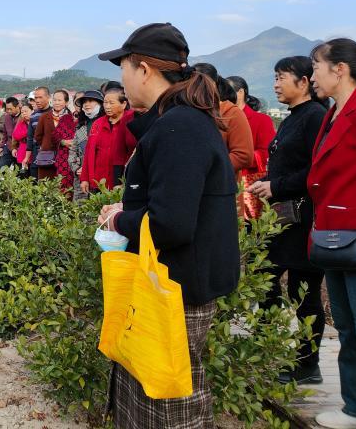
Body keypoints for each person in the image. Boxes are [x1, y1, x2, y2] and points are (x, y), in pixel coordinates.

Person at [97, 22, 240, 428]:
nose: (121, 80)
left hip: (176, 287)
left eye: (123, 67)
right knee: (155, 392)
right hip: (174, 283)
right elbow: (175, 201)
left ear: (143, 69)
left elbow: (172, 223)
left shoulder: (179, 127)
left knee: (167, 404)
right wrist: (129, 204)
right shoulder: (179, 122)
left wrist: (119, 218)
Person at [247, 56, 327, 386]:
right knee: (264, 281)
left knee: (303, 292)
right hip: (282, 220)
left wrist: (275, 185)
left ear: (304, 82)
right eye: (275, 78)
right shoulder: (293, 118)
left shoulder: (315, 118)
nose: (276, 84)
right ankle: (264, 349)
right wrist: (267, 180)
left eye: (281, 77)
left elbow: (317, 170)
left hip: (304, 219)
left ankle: (308, 363)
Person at [306, 39, 356, 429]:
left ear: (340, 69)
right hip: (332, 232)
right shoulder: (332, 113)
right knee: (345, 326)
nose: (313, 76)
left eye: (316, 67)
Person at [229, 75, 276, 219]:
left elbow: (265, 153)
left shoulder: (261, 120)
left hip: (249, 184)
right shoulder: (221, 119)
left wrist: (237, 157)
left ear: (241, 92)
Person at [195, 62, 254, 172]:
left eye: (201, 84)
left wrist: (204, 169)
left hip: (219, 184)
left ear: (214, 85)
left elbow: (243, 156)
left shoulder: (231, 113)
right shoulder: (187, 111)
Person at [80, 87, 135, 194]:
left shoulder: (131, 121)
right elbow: (89, 153)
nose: (107, 106)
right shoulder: (98, 123)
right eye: (105, 103)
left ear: (123, 104)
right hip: (99, 180)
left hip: (121, 180)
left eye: (111, 103)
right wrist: (85, 178)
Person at [34, 89, 76, 192]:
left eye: (60, 100)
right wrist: (46, 144)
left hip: (65, 158)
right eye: (55, 100)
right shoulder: (45, 117)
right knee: (46, 186)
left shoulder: (71, 117)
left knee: (63, 187)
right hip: (47, 157)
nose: (56, 103)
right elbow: (38, 136)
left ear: (66, 102)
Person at [69, 90, 103, 201]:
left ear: (100, 103)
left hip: (100, 176)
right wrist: (77, 168)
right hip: (80, 177)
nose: (86, 104)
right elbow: (72, 151)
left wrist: (89, 168)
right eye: (84, 102)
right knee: (81, 210)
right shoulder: (81, 126)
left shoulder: (106, 124)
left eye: (90, 101)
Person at [24, 87, 52, 179]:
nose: (37, 100)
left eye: (40, 97)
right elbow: (30, 137)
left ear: (48, 97)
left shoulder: (54, 113)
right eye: (36, 98)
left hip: (50, 150)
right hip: (36, 151)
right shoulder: (33, 115)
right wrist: (27, 157)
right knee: (35, 178)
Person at [11, 102, 33, 172]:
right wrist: (29, 132)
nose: (24, 113)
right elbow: (16, 135)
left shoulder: (36, 122)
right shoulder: (21, 123)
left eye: (26, 111)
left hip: (33, 151)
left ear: (32, 111)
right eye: (22, 112)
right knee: (23, 175)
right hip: (23, 150)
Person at [0, 96, 20, 168]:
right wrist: (2, 146)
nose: (8, 111)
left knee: (19, 171)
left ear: (17, 107)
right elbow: (4, 133)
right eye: (7, 109)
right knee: (1, 168)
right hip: (8, 146)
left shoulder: (23, 116)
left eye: (10, 109)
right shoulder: (7, 116)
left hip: (19, 147)